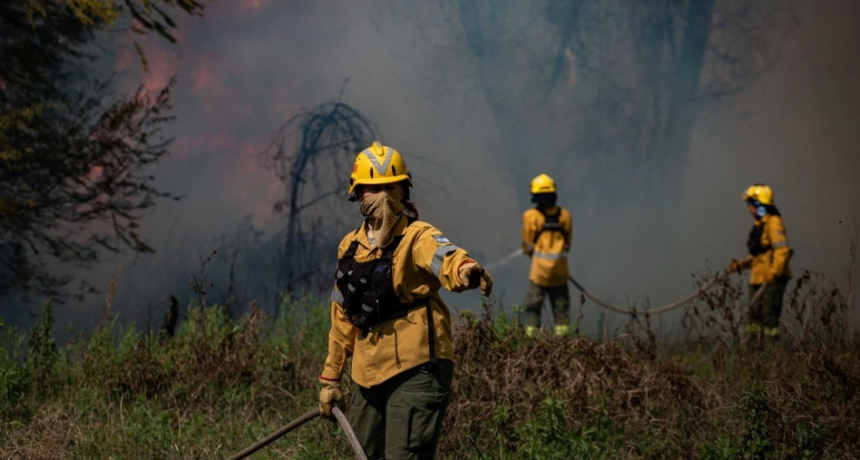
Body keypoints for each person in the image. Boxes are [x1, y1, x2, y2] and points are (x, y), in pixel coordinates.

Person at [318, 141, 494, 459]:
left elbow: (445, 256)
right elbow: (341, 318)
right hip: (367, 372)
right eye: (373, 188)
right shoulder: (349, 247)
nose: (382, 195)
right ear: (358, 193)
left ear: (403, 191)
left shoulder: (418, 235)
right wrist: (331, 377)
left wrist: (467, 270)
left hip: (417, 367)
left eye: (390, 187)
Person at [728, 184, 792, 341]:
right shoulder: (759, 225)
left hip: (771, 280)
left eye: (750, 205)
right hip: (757, 278)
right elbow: (759, 255)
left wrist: (774, 272)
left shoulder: (773, 223)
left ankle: (771, 355)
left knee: (769, 319)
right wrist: (740, 265)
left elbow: (781, 250)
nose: (749, 209)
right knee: (753, 318)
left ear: (759, 206)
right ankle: (752, 356)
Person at [519, 173, 573, 338]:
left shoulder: (531, 217)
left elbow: (527, 245)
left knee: (533, 307)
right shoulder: (565, 216)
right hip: (560, 273)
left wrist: (532, 253)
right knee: (561, 310)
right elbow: (567, 244)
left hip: (539, 274)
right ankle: (563, 345)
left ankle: (531, 343)